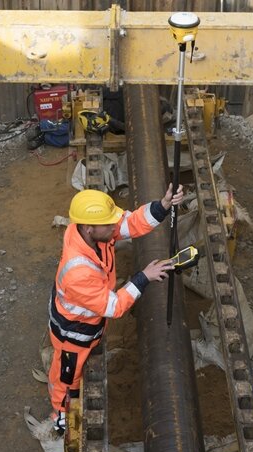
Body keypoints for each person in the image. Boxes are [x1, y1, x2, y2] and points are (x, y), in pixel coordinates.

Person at [47, 184, 184, 434]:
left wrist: (162, 206)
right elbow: (115, 306)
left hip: (91, 319)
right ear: (90, 228)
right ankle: (61, 417)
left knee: (73, 369)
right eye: (109, 224)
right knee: (66, 378)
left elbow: (130, 224)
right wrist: (144, 277)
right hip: (74, 334)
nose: (115, 227)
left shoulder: (92, 232)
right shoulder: (79, 271)